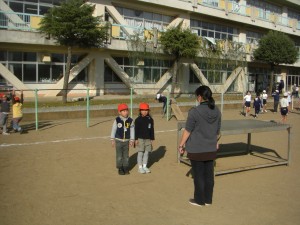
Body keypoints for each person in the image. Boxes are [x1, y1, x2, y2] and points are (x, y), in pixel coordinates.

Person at [178, 85, 221, 207]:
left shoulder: (194, 112)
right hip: (210, 148)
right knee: (209, 175)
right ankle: (208, 199)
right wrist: (215, 141)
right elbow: (217, 131)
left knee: (198, 176)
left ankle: (199, 200)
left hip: (197, 149)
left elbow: (187, 131)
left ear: (199, 97)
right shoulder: (217, 110)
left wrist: (181, 145)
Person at [110, 103, 134, 175]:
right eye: (123, 111)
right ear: (119, 112)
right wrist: (112, 139)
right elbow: (113, 129)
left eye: (126, 110)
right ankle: (120, 168)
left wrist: (132, 140)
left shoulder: (130, 120)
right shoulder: (117, 120)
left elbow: (132, 130)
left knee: (126, 156)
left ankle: (125, 167)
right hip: (118, 141)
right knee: (119, 156)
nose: (125, 112)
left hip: (126, 141)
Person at [134, 102, 154, 174]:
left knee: (146, 153)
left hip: (148, 139)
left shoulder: (150, 119)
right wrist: (136, 139)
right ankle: (140, 167)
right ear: (140, 111)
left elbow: (152, 129)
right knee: (140, 153)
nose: (145, 111)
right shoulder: (137, 120)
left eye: (146, 110)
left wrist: (152, 138)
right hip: (140, 139)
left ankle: (145, 166)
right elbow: (136, 130)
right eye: (143, 110)